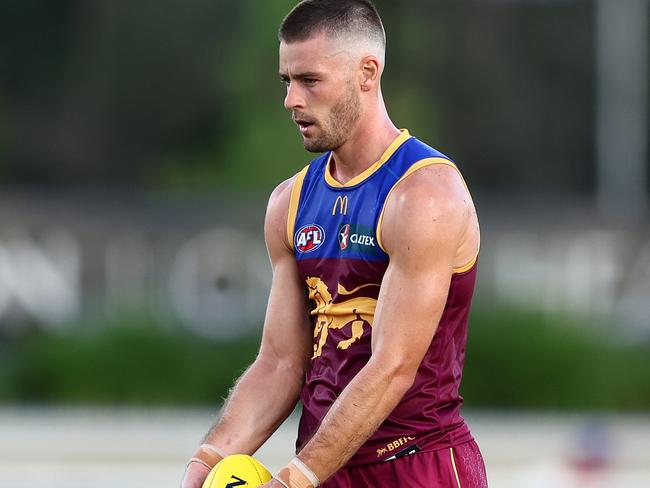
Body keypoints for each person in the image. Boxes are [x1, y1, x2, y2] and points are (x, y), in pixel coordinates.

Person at [181, 1, 486, 487]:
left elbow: (391, 368)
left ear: (367, 73)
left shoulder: (424, 195)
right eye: (286, 81)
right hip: (323, 470)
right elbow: (280, 362)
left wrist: (294, 478)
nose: (291, 100)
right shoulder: (290, 202)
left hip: (416, 468)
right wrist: (203, 464)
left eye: (310, 81)